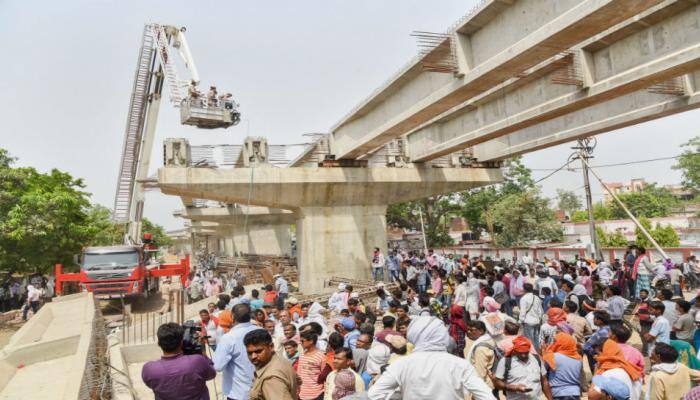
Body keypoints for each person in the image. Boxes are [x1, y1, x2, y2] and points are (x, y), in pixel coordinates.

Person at [368, 316, 496, 400]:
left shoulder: (401, 364)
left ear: (414, 335)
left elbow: (374, 394)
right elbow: (487, 397)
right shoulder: (460, 365)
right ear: (441, 335)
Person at [142, 322, 216, 400]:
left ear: (159, 343)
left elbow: (150, 384)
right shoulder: (197, 361)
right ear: (181, 342)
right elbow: (211, 374)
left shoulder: (149, 369)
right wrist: (203, 351)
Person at [213, 303, 262, 400]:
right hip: (261, 389)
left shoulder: (228, 338)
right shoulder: (261, 331)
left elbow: (218, 366)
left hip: (239, 392)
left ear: (232, 316)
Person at [492, 335, 553, 400]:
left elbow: (544, 381)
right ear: (514, 350)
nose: (523, 355)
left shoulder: (536, 359)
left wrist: (550, 399)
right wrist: (514, 388)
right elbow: (497, 383)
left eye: (526, 353)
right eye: (520, 353)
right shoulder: (505, 361)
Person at [244, 329, 298, 400]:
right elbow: (298, 380)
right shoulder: (281, 360)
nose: (253, 356)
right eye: (250, 353)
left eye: (258, 351)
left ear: (271, 347)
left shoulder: (271, 379)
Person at [542, 332, 582, 400]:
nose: (554, 344)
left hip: (558, 393)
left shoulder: (552, 357)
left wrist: (544, 351)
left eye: (555, 342)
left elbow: (543, 371)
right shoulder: (579, 359)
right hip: (575, 392)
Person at [463, 320, 497, 393]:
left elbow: (480, 373)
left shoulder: (480, 349)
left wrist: (477, 391)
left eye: (471, 330)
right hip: (491, 385)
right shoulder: (488, 339)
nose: (468, 332)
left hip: (485, 387)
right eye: (468, 329)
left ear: (481, 331)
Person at [298, 330, 327, 400]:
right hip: (302, 394)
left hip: (316, 394)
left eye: (302, 341)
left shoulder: (321, 356)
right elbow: (299, 373)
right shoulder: (302, 355)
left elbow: (325, 376)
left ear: (311, 341)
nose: (300, 343)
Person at [519, 283, 543, 351]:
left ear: (524, 289)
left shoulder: (523, 298)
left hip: (528, 321)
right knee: (536, 337)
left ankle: (532, 353)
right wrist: (539, 318)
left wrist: (521, 321)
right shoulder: (536, 297)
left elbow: (522, 311)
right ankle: (537, 351)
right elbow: (540, 310)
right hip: (536, 321)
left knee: (529, 339)